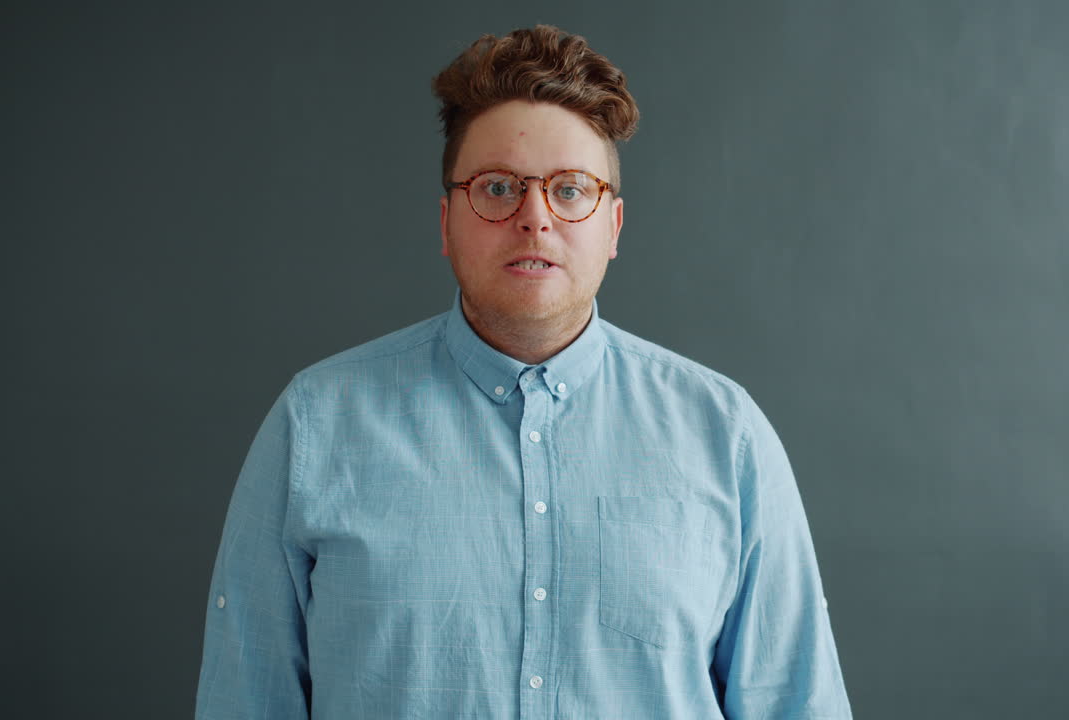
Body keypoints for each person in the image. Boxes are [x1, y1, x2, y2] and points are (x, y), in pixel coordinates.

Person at [195, 24, 851, 720]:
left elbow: (797, 704)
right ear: (446, 223)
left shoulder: (728, 437)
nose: (535, 217)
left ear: (614, 227)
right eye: (498, 187)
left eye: (571, 190)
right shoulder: (315, 426)